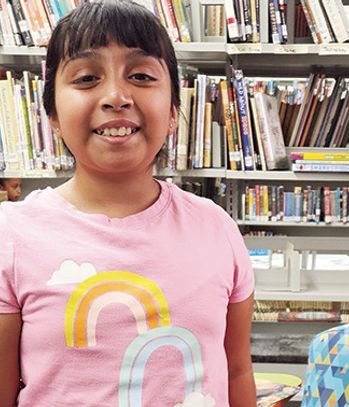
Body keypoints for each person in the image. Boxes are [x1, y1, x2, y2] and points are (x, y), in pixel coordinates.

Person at [0, 1, 256, 406]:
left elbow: (237, 370)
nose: (116, 96)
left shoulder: (215, 227)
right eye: (86, 78)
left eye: (141, 75)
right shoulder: (10, 235)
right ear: (51, 112)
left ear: (173, 110)